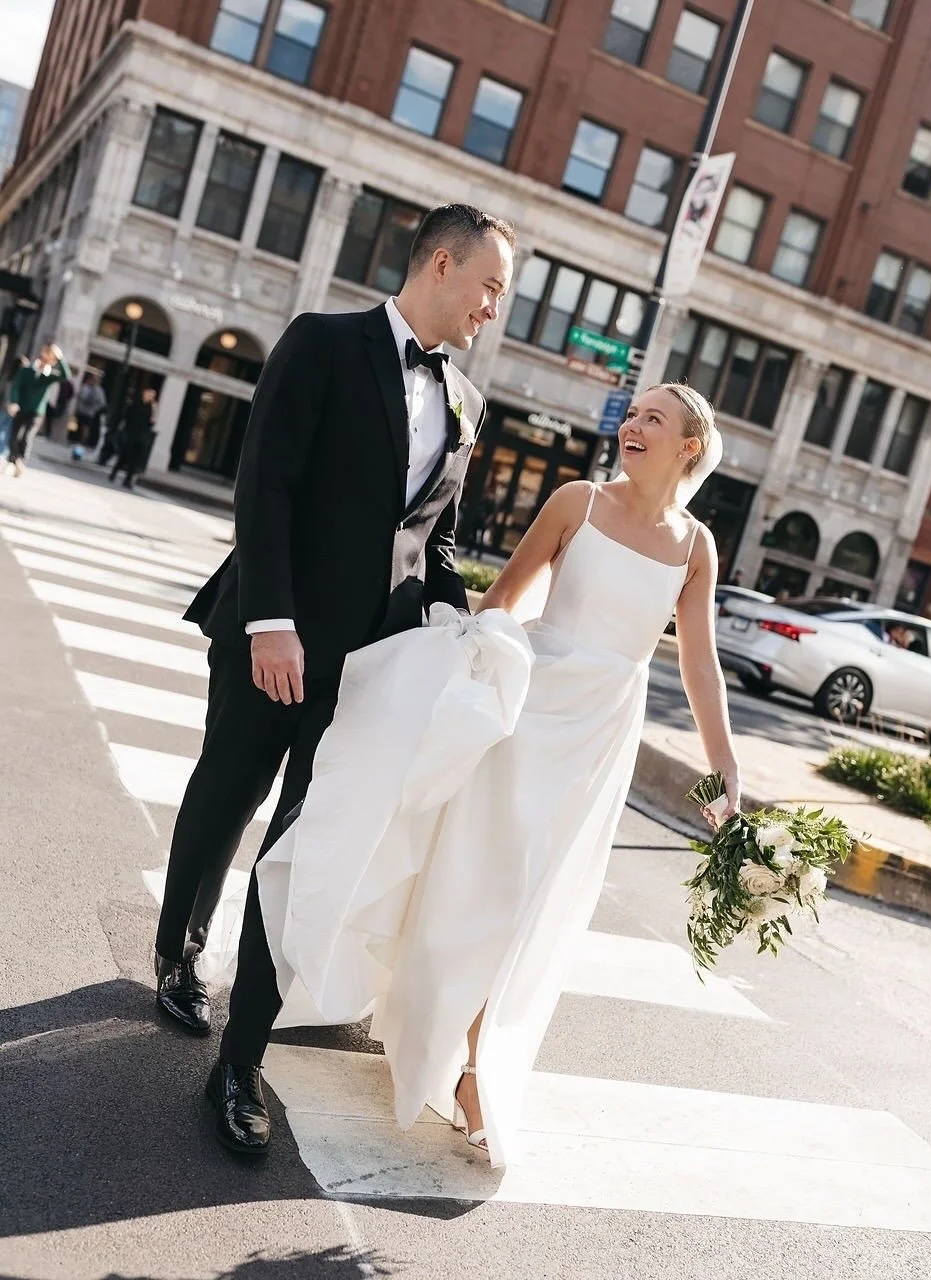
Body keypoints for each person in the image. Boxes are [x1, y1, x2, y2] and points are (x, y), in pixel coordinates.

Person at [188, 381, 741, 1164]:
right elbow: (505, 602)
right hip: (528, 709)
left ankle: (477, 1064)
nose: (634, 424)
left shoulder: (695, 547)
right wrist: (455, 680)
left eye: (656, 418)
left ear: (690, 447)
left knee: (532, 901)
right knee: (480, 882)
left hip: (600, 735)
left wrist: (723, 771)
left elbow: (699, 664)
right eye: (634, 412)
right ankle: (432, 1033)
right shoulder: (577, 501)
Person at [151, 205, 516, 1135]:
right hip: (268, 634)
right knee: (227, 795)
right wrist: (271, 622)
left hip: (367, 671)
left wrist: (457, 628)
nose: (492, 307)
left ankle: (240, 1064)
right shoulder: (320, 342)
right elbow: (264, 483)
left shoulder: (469, 407)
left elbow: (433, 541)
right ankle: (177, 951)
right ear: (441, 264)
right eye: (489, 285)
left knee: (303, 851)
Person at [5, 342, 72, 475]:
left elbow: (66, 376)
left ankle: (21, 461)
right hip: (21, 408)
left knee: (27, 436)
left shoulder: (48, 376)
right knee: (15, 435)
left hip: (37, 412)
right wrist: (14, 402)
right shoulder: (26, 371)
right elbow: (16, 387)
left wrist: (59, 358)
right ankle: (12, 461)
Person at [109, 387, 158, 489]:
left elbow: (151, 423)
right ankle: (114, 472)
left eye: (152, 396)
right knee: (125, 456)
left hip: (142, 436)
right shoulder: (135, 404)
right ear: (144, 393)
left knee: (135, 460)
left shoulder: (151, 407)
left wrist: (154, 411)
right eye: (149, 394)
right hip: (131, 433)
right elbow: (127, 417)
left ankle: (128, 479)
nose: (150, 397)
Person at [72, 371, 107, 450]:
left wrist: (95, 408)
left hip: (89, 413)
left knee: (85, 428)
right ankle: (78, 441)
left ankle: (82, 443)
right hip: (82, 411)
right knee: (80, 427)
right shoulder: (86, 387)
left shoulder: (99, 391)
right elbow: (80, 396)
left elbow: (102, 403)